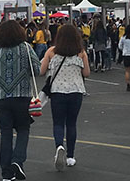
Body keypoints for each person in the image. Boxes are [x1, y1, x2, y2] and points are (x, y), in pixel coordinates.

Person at [0, 20, 39, 181]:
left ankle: (6, 173)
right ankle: (18, 161)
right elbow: (36, 70)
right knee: (23, 129)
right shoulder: (26, 49)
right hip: (22, 96)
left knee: (5, 133)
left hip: (1, 98)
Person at [40, 24, 91, 171]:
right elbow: (87, 73)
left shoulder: (51, 52)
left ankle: (59, 147)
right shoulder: (81, 53)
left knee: (58, 122)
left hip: (57, 92)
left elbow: (42, 71)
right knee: (71, 123)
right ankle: (70, 156)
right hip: (76, 91)